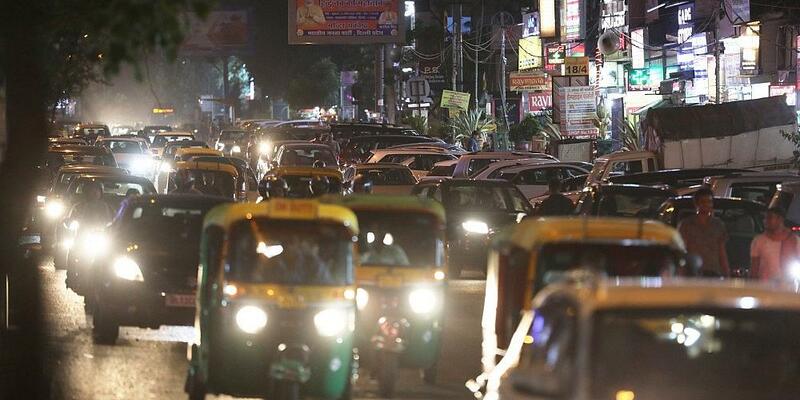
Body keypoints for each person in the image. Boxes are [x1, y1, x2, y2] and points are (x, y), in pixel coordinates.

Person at [678, 188, 730, 277]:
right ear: (697, 204)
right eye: (703, 202)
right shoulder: (686, 224)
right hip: (693, 272)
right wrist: (681, 272)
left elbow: (721, 251)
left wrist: (726, 272)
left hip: (713, 272)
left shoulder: (718, 225)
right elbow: (682, 250)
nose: (707, 205)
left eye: (709, 202)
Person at [750, 206, 800, 281]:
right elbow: (754, 269)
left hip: (789, 288)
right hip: (765, 288)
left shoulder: (794, 240)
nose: (765, 221)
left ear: (780, 219)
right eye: (765, 218)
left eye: (770, 218)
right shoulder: (759, 241)